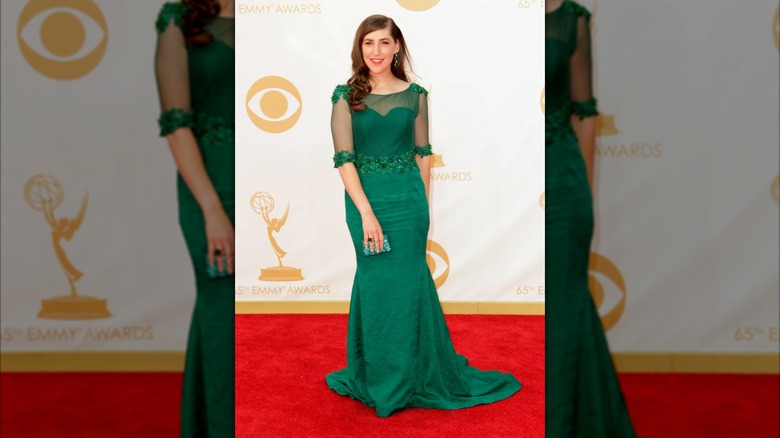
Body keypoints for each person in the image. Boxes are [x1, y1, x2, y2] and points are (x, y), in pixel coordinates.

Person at [325, 14, 522, 418]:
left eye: (383, 43)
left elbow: (422, 154)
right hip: (366, 203)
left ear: (397, 47)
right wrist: (366, 213)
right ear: (359, 49)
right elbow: (345, 162)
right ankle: (378, 375)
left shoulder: (416, 95)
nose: (376, 51)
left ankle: (415, 373)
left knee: (409, 285)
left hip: (408, 203)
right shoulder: (344, 96)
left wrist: (424, 206)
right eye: (368, 44)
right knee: (377, 283)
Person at [545, 1, 637, 436]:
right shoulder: (496, 16)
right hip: (510, 179)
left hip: (562, 179)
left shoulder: (574, 19)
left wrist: (585, 189)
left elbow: (584, 111)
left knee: (566, 302)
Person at [154, 0, 235, 435]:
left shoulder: (276, 17)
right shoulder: (178, 19)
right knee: (221, 304)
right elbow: (176, 123)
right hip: (212, 185)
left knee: (231, 315)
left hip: (266, 185)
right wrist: (212, 211)